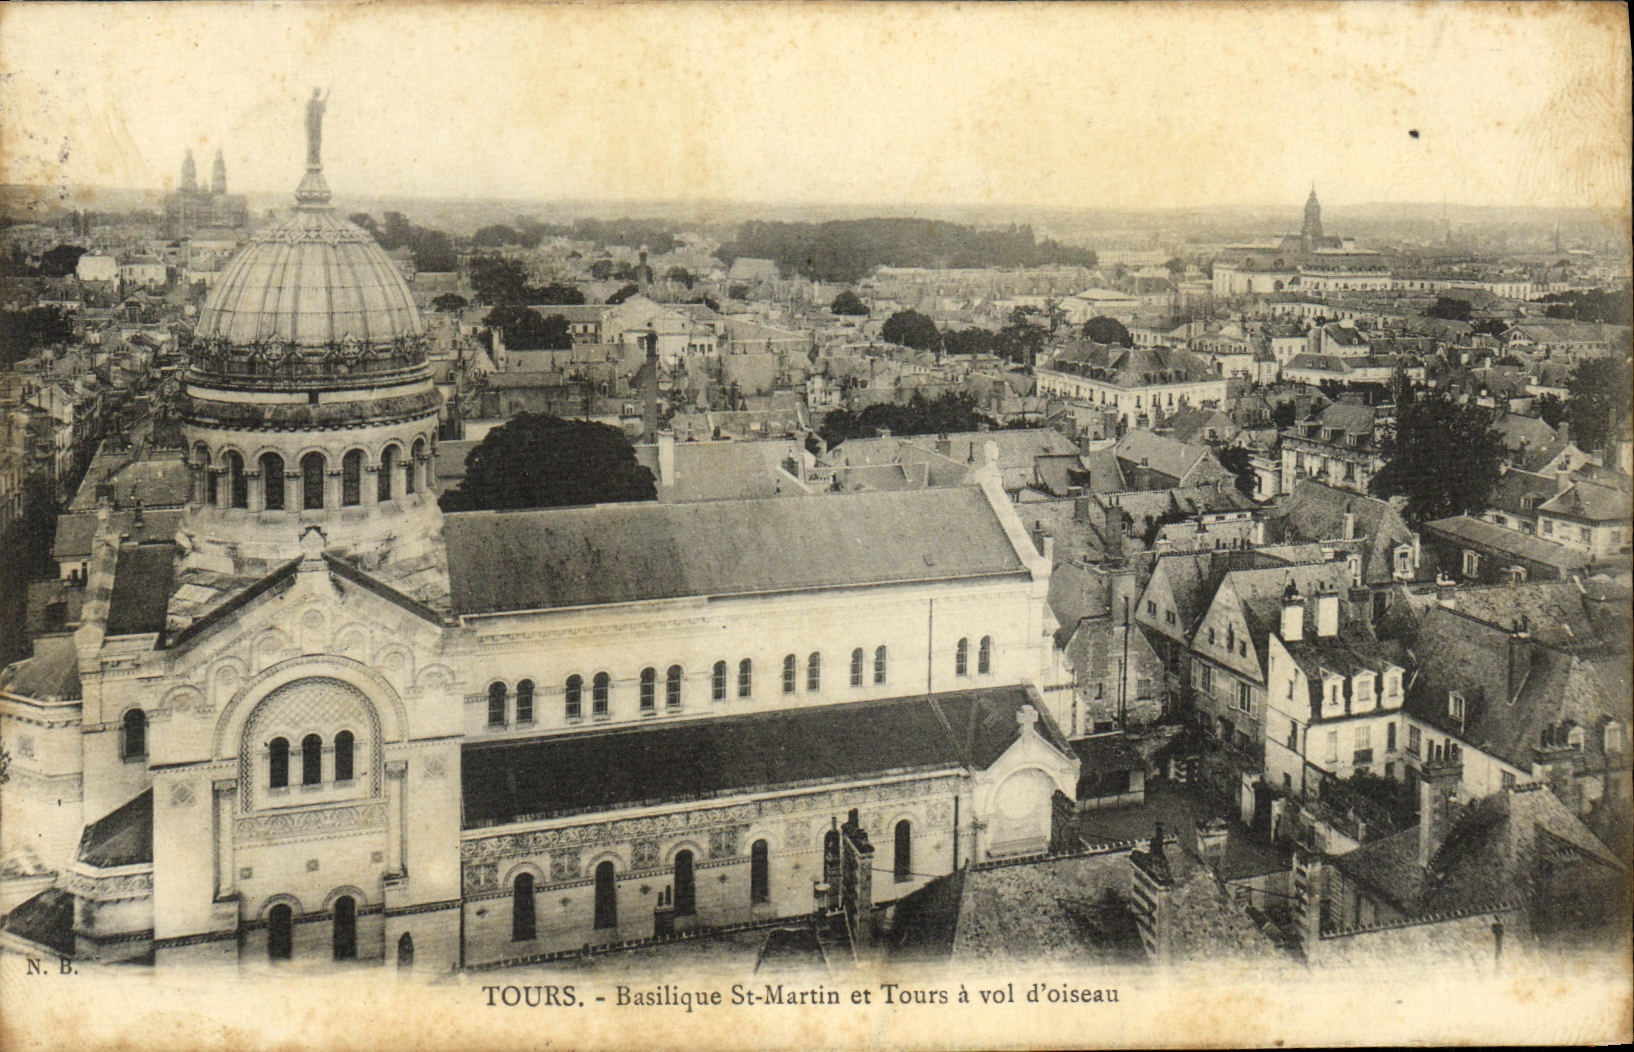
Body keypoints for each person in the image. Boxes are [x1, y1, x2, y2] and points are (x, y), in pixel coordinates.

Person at [305, 88, 330, 166]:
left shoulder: (312, 103)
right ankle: (312, 160)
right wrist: (327, 95)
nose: (317, 95)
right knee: (313, 143)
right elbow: (322, 106)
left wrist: (327, 95)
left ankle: (315, 160)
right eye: (318, 93)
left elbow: (322, 105)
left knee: (315, 143)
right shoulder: (310, 103)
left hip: (315, 128)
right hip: (312, 128)